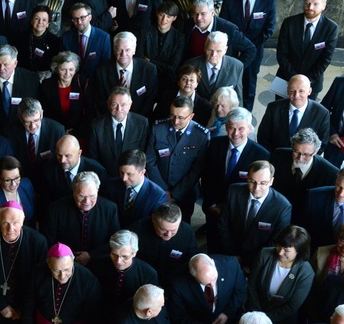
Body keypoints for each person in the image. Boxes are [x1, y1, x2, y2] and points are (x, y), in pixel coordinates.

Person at [201, 107, 269, 251]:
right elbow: (206, 177)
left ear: (250, 128)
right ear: (226, 127)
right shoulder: (214, 145)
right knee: (213, 246)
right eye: (231, 128)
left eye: (241, 129)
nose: (236, 133)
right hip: (214, 210)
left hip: (239, 216)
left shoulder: (261, 155)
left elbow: (258, 190)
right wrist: (213, 204)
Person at [218, 0, 277, 111]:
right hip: (232, 49)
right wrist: (236, 45)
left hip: (254, 49)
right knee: (228, 81)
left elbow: (268, 29)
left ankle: (246, 114)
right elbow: (224, 24)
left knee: (249, 83)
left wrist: (249, 47)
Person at [145, 95, 210, 222]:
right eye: (172, 115)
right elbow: (150, 161)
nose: (175, 121)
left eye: (181, 117)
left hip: (185, 193)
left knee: (183, 224)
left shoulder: (201, 136)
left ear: (191, 116)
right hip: (158, 188)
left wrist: (175, 194)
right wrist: (163, 190)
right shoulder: (158, 129)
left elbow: (197, 170)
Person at [247, 225, 315, 324]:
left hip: (283, 323)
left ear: (299, 251)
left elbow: (292, 306)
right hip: (255, 314)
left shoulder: (306, 272)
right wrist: (256, 315)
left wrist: (266, 319)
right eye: (279, 246)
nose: (280, 252)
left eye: (287, 250)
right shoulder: (265, 254)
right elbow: (252, 285)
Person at [276, 0, 339, 100]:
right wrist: (294, 78)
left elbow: (325, 59)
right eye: (307, 3)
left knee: (305, 116)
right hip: (286, 78)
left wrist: (306, 82)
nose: (310, 7)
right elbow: (281, 54)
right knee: (278, 113)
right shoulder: (289, 23)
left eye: (315, 4)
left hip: (312, 82)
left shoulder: (331, 28)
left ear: (324, 6)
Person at [43, 170, 120, 264]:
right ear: (73, 191)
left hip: (100, 261)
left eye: (92, 196)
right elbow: (50, 241)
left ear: (98, 191)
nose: (86, 201)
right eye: (81, 196)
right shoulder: (55, 210)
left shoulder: (110, 209)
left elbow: (115, 242)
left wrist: (91, 255)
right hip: (65, 262)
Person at [90, 230, 159, 324]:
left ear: (134, 253)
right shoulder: (98, 264)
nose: (118, 261)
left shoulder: (148, 273)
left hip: (130, 321)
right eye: (114, 255)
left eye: (125, 257)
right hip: (100, 316)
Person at [270, 127, 338, 221]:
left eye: (306, 154)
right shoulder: (278, 156)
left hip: (307, 221)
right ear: (292, 147)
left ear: (315, 152)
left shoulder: (330, 173)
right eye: (296, 152)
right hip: (276, 214)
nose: (300, 158)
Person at [91, 31, 158, 118]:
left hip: (139, 120)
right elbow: (101, 101)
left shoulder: (149, 69)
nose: (123, 54)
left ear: (134, 50)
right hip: (111, 119)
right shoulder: (102, 71)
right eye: (119, 50)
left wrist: (134, 121)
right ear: (114, 50)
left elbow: (150, 101)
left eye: (127, 50)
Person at [257, 74, 330, 154]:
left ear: (309, 91)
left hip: (303, 161)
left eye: (301, 91)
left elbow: (321, 144)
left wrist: (305, 159)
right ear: (287, 90)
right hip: (276, 158)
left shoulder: (322, 113)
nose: (296, 95)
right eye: (292, 91)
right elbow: (263, 136)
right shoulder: (273, 108)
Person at [129, 202, 198, 286]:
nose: (168, 234)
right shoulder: (137, 230)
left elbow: (191, 258)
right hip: (143, 279)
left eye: (173, 230)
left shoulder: (188, 232)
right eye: (163, 229)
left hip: (174, 280)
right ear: (153, 219)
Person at [88, 87, 149, 179]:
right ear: (108, 105)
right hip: (105, 177)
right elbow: (93, 157)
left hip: (132, 177)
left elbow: (143, 154)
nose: (119, 109)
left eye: (123, 105)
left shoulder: (142, 123)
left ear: (130, 105)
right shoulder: (97, 125)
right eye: (114, 104)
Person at [182, 0, 256, 70]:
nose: (198, 18)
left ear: (212, 13)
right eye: (195, 14)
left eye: (203, 14)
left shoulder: (228, 29)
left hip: (218, 75)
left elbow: (250, 49)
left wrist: (235, 70)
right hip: (193, 73)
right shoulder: (187, 25)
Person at [0, 44, 40, 130]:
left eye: (6, 64)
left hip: (21, 130)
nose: (1, 68)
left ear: (15, 63)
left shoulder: (30, 80)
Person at [6, 97, 65, 184]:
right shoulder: (10, 132)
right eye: (27, 122)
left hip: (50, 182)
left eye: (36, 120)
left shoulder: (57, 131)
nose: (32, 126)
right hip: (21, 182)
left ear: (41, 114)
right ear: (20, 118)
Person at [103, 149, 167, 227]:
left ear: (142, 172)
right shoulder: (111, 185)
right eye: (121, 172)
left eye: (129, 174)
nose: (124, 178)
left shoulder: (157, 196)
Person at [41, 134, 107, 205]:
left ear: (79, 153)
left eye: (67, 156)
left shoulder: (97, 171)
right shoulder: (49, 169)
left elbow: (101, 202)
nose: (62, 160)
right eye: (59, 155)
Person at [140, 0, 185, 96]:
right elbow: (140, 61)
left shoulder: (179, 37)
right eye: (161, 15)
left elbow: (172, 68)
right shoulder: (145, 32)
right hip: (146, 79)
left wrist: (151, 61)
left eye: (168, 16)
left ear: (174, 18)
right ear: (157, 14)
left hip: (167, 84)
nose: (164, 20)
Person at [184, 31, 244, 102]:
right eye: (210, 50)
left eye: (218, 51)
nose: (213, 55)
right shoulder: (191, 64)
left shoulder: (236, 66)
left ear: (225, 50)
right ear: (205, 47)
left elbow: (238, 98)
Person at [38, 51, 87, 136]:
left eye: (71, 69)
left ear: (76, 69)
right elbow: (45, 113)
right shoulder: (46, 85)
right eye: (63, 69)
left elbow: (88, 112)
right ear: (56, 69)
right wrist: (60, 130)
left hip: (78, 133)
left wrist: (75, 131)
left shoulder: (83, 84)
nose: (67, 74)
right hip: (54, 132)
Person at [61, 2, 111, 82]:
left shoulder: (103, 37)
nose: (79, 22)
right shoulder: (66, 37)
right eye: (75, 19)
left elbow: (105, 65)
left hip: (94, 82)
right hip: (72, 81)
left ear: (90, 17)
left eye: (82, 18)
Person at [0, 156, 35, 227]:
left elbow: (32, 219)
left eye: (17, 178)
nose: (13, 184)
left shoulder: (26, 185)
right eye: (7, 180)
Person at [303, 169, 344, 251]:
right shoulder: (314, 197)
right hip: (313, 253)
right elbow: (301, 231)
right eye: (339, 186)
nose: (341, 194)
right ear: (336, 180)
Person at [16, 5, 63, 75]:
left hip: (44, 78)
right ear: (31, 21)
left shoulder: (55, 41)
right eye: (37, 18)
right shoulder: (21, 37)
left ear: (48, 24)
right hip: (23, 74)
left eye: (44, 20)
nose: (40, 22)